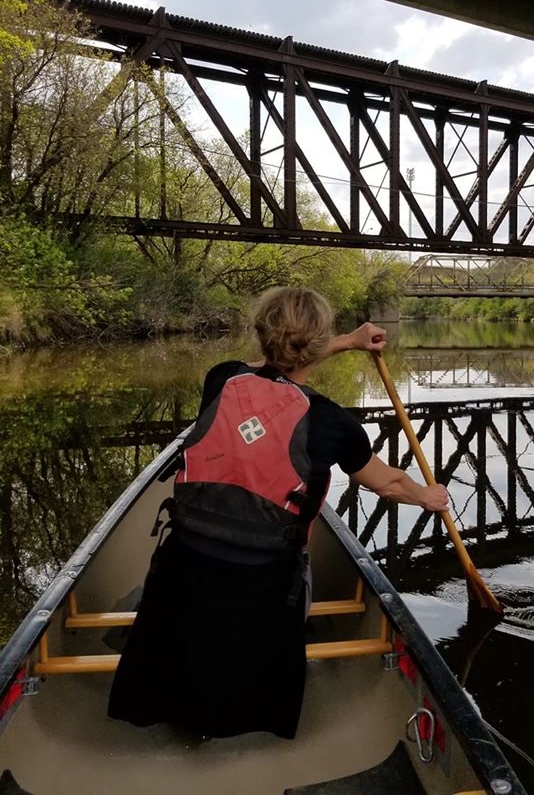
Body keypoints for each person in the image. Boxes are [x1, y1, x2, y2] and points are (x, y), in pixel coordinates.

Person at [107, 286, 449, 740]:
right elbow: (387, 483)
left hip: (183, 562)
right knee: (291, 575)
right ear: (316, 344)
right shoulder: (332, 424)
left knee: (189, 585)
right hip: (264, 576)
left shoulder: (221, 379)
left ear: (260, 334)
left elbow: (274, 367)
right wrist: (429, 496)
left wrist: (347, 340)